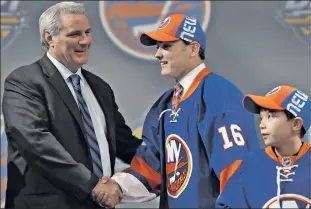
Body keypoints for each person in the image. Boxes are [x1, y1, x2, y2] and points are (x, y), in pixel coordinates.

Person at [94, 14, 260, 209]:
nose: (157, 54)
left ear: (193, 49)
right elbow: (150, 168)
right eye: (157, 47)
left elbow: (237, 171)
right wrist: (118, 187)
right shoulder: (164, 106)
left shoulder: (219, 95)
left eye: (166, 46)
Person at [2, 2, 141, 209]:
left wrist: (167, 165)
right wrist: (93, 186)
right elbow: (36, 143)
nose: (85, 41)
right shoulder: (24, 81)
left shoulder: (100, 87)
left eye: (87, 32)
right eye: (75, 34)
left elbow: (125, 143)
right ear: (50, 38)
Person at [216, 85, 311, 208]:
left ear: (296, 124)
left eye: (269, 117)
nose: (261, 125)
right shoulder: (250, 165)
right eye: (261, 118)